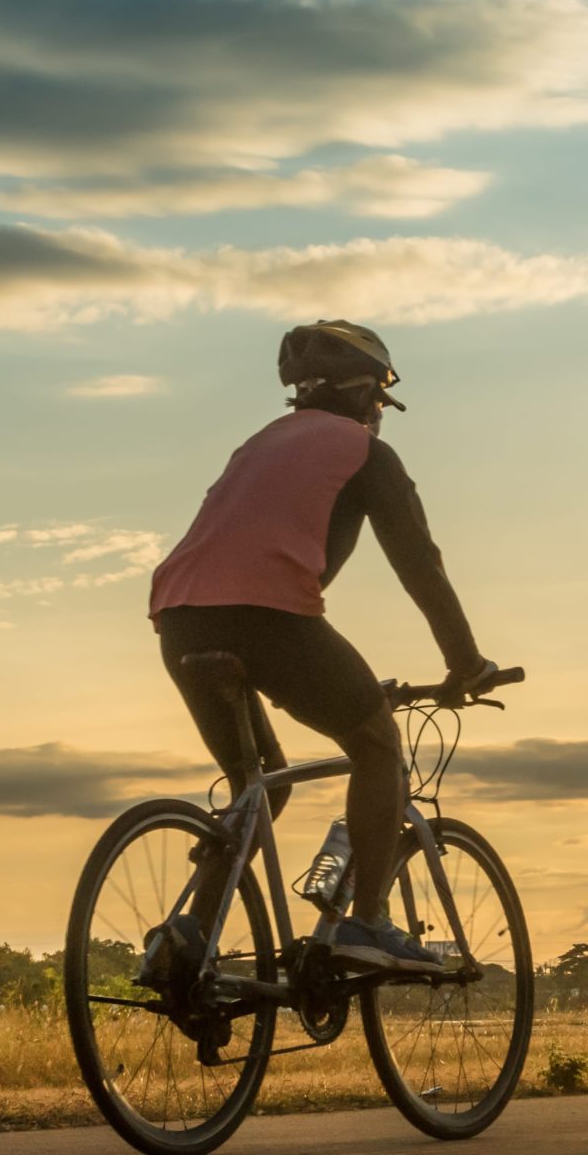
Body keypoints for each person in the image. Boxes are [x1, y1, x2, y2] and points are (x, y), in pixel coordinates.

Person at [146, 320, 501, 979]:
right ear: (363, 391)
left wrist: (344, 683)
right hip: (267, 617)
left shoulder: (261, 443)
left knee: (259, 785)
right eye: (378, 402)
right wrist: (464, 661)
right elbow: (419, 562)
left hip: (180, 618)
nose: (378, 416)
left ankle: (187, 933)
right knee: (374, 741)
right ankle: (366, 921)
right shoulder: (364, 452)